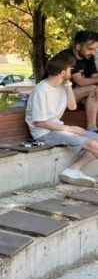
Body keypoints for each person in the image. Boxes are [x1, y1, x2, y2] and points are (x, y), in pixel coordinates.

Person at [27, 51, 98, 187]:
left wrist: (68, 86)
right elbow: (40, 122)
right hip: (44, 134)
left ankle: (73, 170)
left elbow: (71, 107)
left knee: (96, 139)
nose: (73, 71)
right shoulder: (41, 90)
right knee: (93, 145)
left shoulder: (61, 86)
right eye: (70, 69)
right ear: (63, 72)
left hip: (58, 129)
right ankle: (72, 170)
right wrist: (69, 128)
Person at [61, 30, 98, 132]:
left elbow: (94, 77)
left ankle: (92, 128)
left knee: (95, 89)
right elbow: (80, 82)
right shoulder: (67, 57)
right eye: (90, 49)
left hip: (72, 94)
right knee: (93, 89)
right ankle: (92, 128)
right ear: (78, 46)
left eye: (95, 49)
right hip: (57, 96)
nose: (93, 52)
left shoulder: (88, 57)